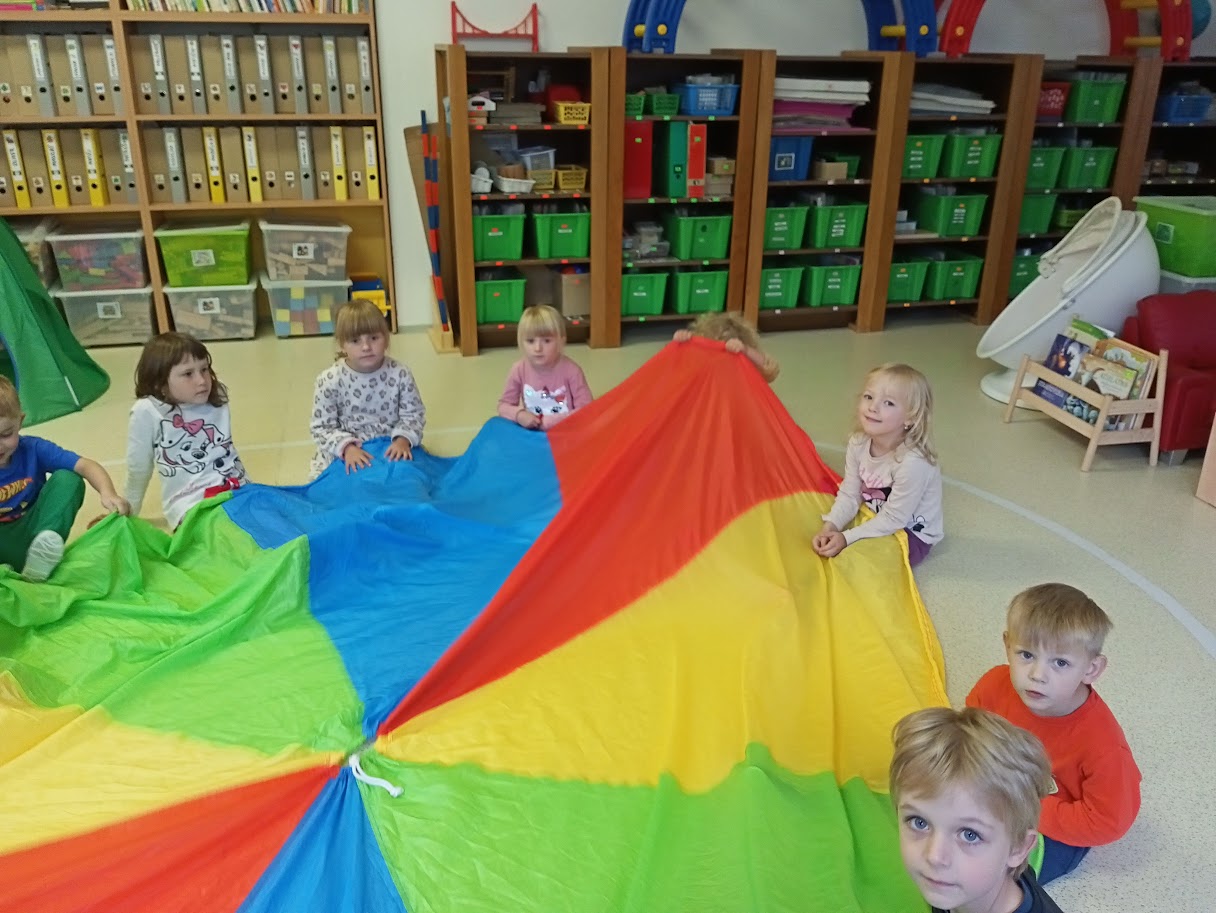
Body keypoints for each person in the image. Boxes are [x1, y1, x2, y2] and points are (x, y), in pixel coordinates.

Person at [967, 583, 1141, 884]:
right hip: (1003, 790)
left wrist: (1023, 808)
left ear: (1091, 669)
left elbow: (1108, 821)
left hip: (1056, 826)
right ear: (1008, 645)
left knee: (992, 876)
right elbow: (972, 734)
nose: (1037, 675)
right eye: (1026, 654)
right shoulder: (994, 685)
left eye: (1060, 663)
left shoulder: (1103, 746)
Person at [890, 706, 1064, 913]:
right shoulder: (954, 886)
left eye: (970, 835)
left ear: (1018, 848)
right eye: (919, 822)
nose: (934, 856)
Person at [0, 376, 129, 581]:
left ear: (20, 422)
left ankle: (44, 549)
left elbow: (86, 465)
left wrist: (108, 493)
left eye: (6, 434)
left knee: (69, 479)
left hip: (33, 536)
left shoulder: (33, 448)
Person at [812, 362, 942, 566]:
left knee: (853, 562)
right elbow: (850, 493)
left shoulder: (913, 463)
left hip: (911, 534)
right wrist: (830, 526)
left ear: (910, 417)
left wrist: (846, 538)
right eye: (869, 397)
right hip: (877, 515)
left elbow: (895, 519)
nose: (873, 407)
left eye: (888, 403)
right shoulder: (858, 442)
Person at [125, 332, 249, 530]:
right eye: (188, 374)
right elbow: (138, 469)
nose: (202, 380)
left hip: (238, 489)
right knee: (226, 534)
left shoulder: (217, 394)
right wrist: (128, 512)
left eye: (204, 369)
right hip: (190, 502)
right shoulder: (147, 411)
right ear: (160, 383)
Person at [310, 300, 426, 477]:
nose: (366, 347)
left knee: (409, 478)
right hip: (346, 451)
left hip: (390, 445)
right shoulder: (329, 380)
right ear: (342, 344)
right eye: (355, 341)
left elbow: (414, 414)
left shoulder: (400, 374)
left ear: (386, 338)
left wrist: (403, 440)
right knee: (346, 485)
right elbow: (321, 427)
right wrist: (347, 448)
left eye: (374, 338)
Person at [498, 304, 593, 430]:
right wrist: (519, 415)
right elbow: (503, 406)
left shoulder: (572, 371)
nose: (538, 348)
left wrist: (552, 421)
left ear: (561, 341)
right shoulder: (519, 369)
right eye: (530, 341)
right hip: (532, 433)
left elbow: (587, 410)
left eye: (547, 341)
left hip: (567, 432)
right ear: (521, 342)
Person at [672, 311, 779, 383]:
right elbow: (675, 371)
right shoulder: (701, 365)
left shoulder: (743, 367)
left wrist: (745, 350)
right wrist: (680, 344)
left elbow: (769, 369)